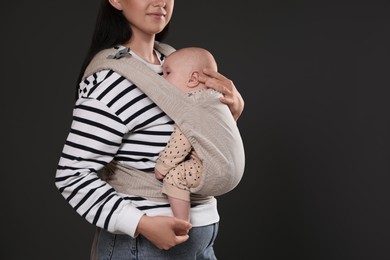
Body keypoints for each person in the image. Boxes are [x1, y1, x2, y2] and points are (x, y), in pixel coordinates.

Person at [55, 0, 244, 259]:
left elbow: (194, 144)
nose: (160, 2)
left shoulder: (178, 62)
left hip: (202, 242)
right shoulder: (110, 81)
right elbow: (71, 174)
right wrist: (140, 224)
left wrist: (229, 113)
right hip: (144, 247)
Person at [154, 47, 220, 222]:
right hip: (226, 169)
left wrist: (163, 167)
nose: (162, 78)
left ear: (192, 79)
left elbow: (181, 141)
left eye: (167, 73)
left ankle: (182, 222)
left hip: (208, 168)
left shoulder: (191, 106)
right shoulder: (214, 99)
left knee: (175, 177)